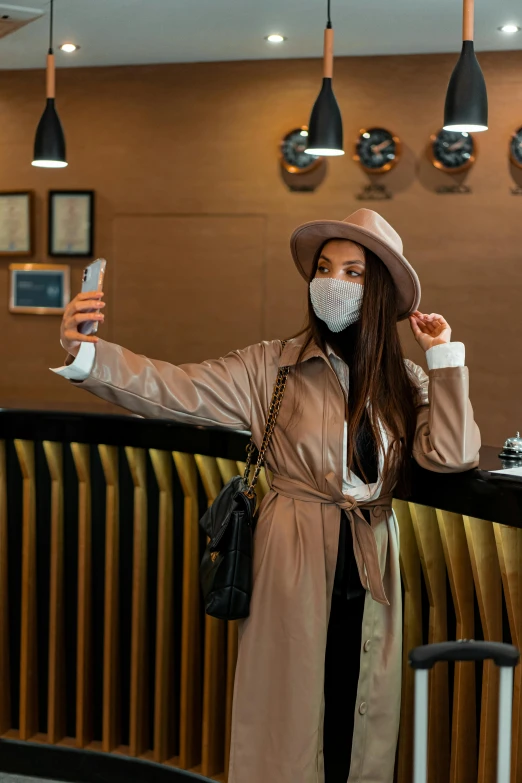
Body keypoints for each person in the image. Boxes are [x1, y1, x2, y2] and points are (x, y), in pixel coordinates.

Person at [53, 208, 480, 783]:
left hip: (372, 558)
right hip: (293, 554)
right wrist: (87, 353)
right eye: (325, 268)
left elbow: (452, 454)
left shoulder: (405, 381)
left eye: (354, 272)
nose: (333, 282)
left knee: (359, 713)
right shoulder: (270, 367)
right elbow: (174, 389)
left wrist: (444, 357)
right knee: (288, 715)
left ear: (378, 288)